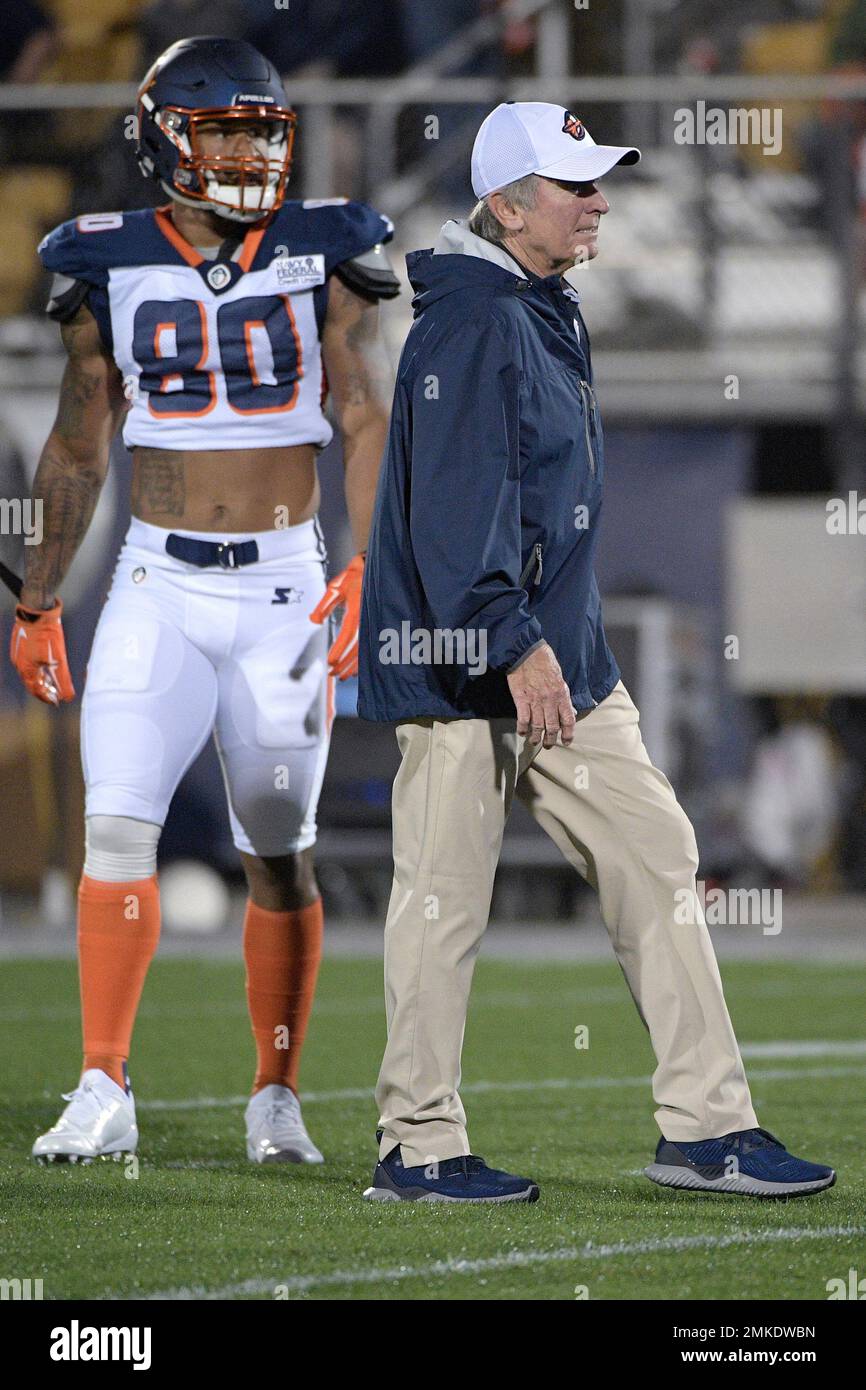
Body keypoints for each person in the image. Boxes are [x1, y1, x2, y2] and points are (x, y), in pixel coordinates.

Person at [357, 100, 836, 1203]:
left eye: (596, 181)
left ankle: (706, 1129)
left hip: (558, 660)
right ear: (507, 200)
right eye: (575, 185)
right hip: (469, 666)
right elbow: (453, 514)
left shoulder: (534, 302)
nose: (600, 200)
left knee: (659, 861)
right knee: (443, 903)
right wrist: (514, 642)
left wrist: (555, 649)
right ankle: (416, 1146)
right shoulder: (473, 320)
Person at [12, 36, 398, 1166]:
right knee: (117, 826)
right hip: (155, 580)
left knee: (277, 849)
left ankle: (274, 1091)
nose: (245, 154)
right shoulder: (104, 259)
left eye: (259, 132)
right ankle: (102, 1081)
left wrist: (368, 558)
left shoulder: (327, 247)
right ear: (165, 139)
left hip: (285, 586)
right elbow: (79, 442)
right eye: (223, 130)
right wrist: (38, 599)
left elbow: (362, 415)